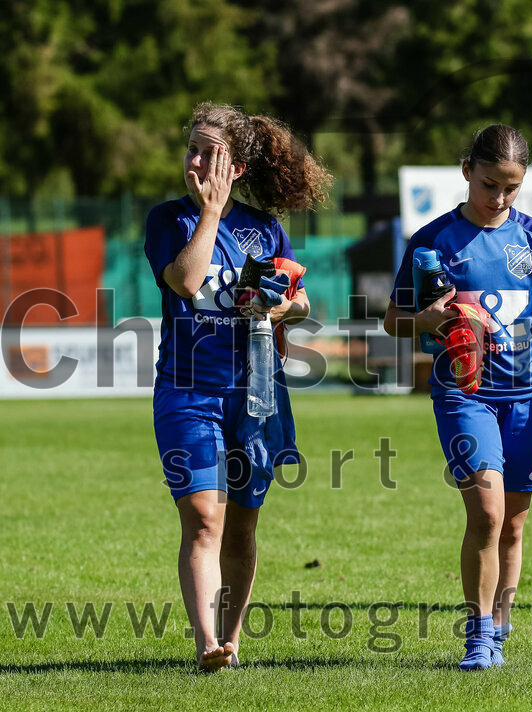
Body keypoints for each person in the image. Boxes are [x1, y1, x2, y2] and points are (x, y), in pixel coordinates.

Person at [384, 124, 532, 670]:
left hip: (531, 396)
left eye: (510, 188)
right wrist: (427, 321)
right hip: (465, 395)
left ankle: (500, 630)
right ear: (466, 172)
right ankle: (478, 635)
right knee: (485, 510)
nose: (498, 198)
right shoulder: (433, 242)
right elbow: (393, 321)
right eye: (488, 184)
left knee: (514, 523)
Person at [144, 102, 331, 670]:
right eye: (192, 148)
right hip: (188, 393)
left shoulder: (266, 228)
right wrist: (210, 212)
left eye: (210, 152)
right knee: (205, 518)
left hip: (256, 396)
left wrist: (279, 309)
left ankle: (231, 640)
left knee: (242, 525)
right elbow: (186, 279)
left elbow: (299, 300)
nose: (196, 161)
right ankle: (206, 644)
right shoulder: (168, 219)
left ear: (238, 167)